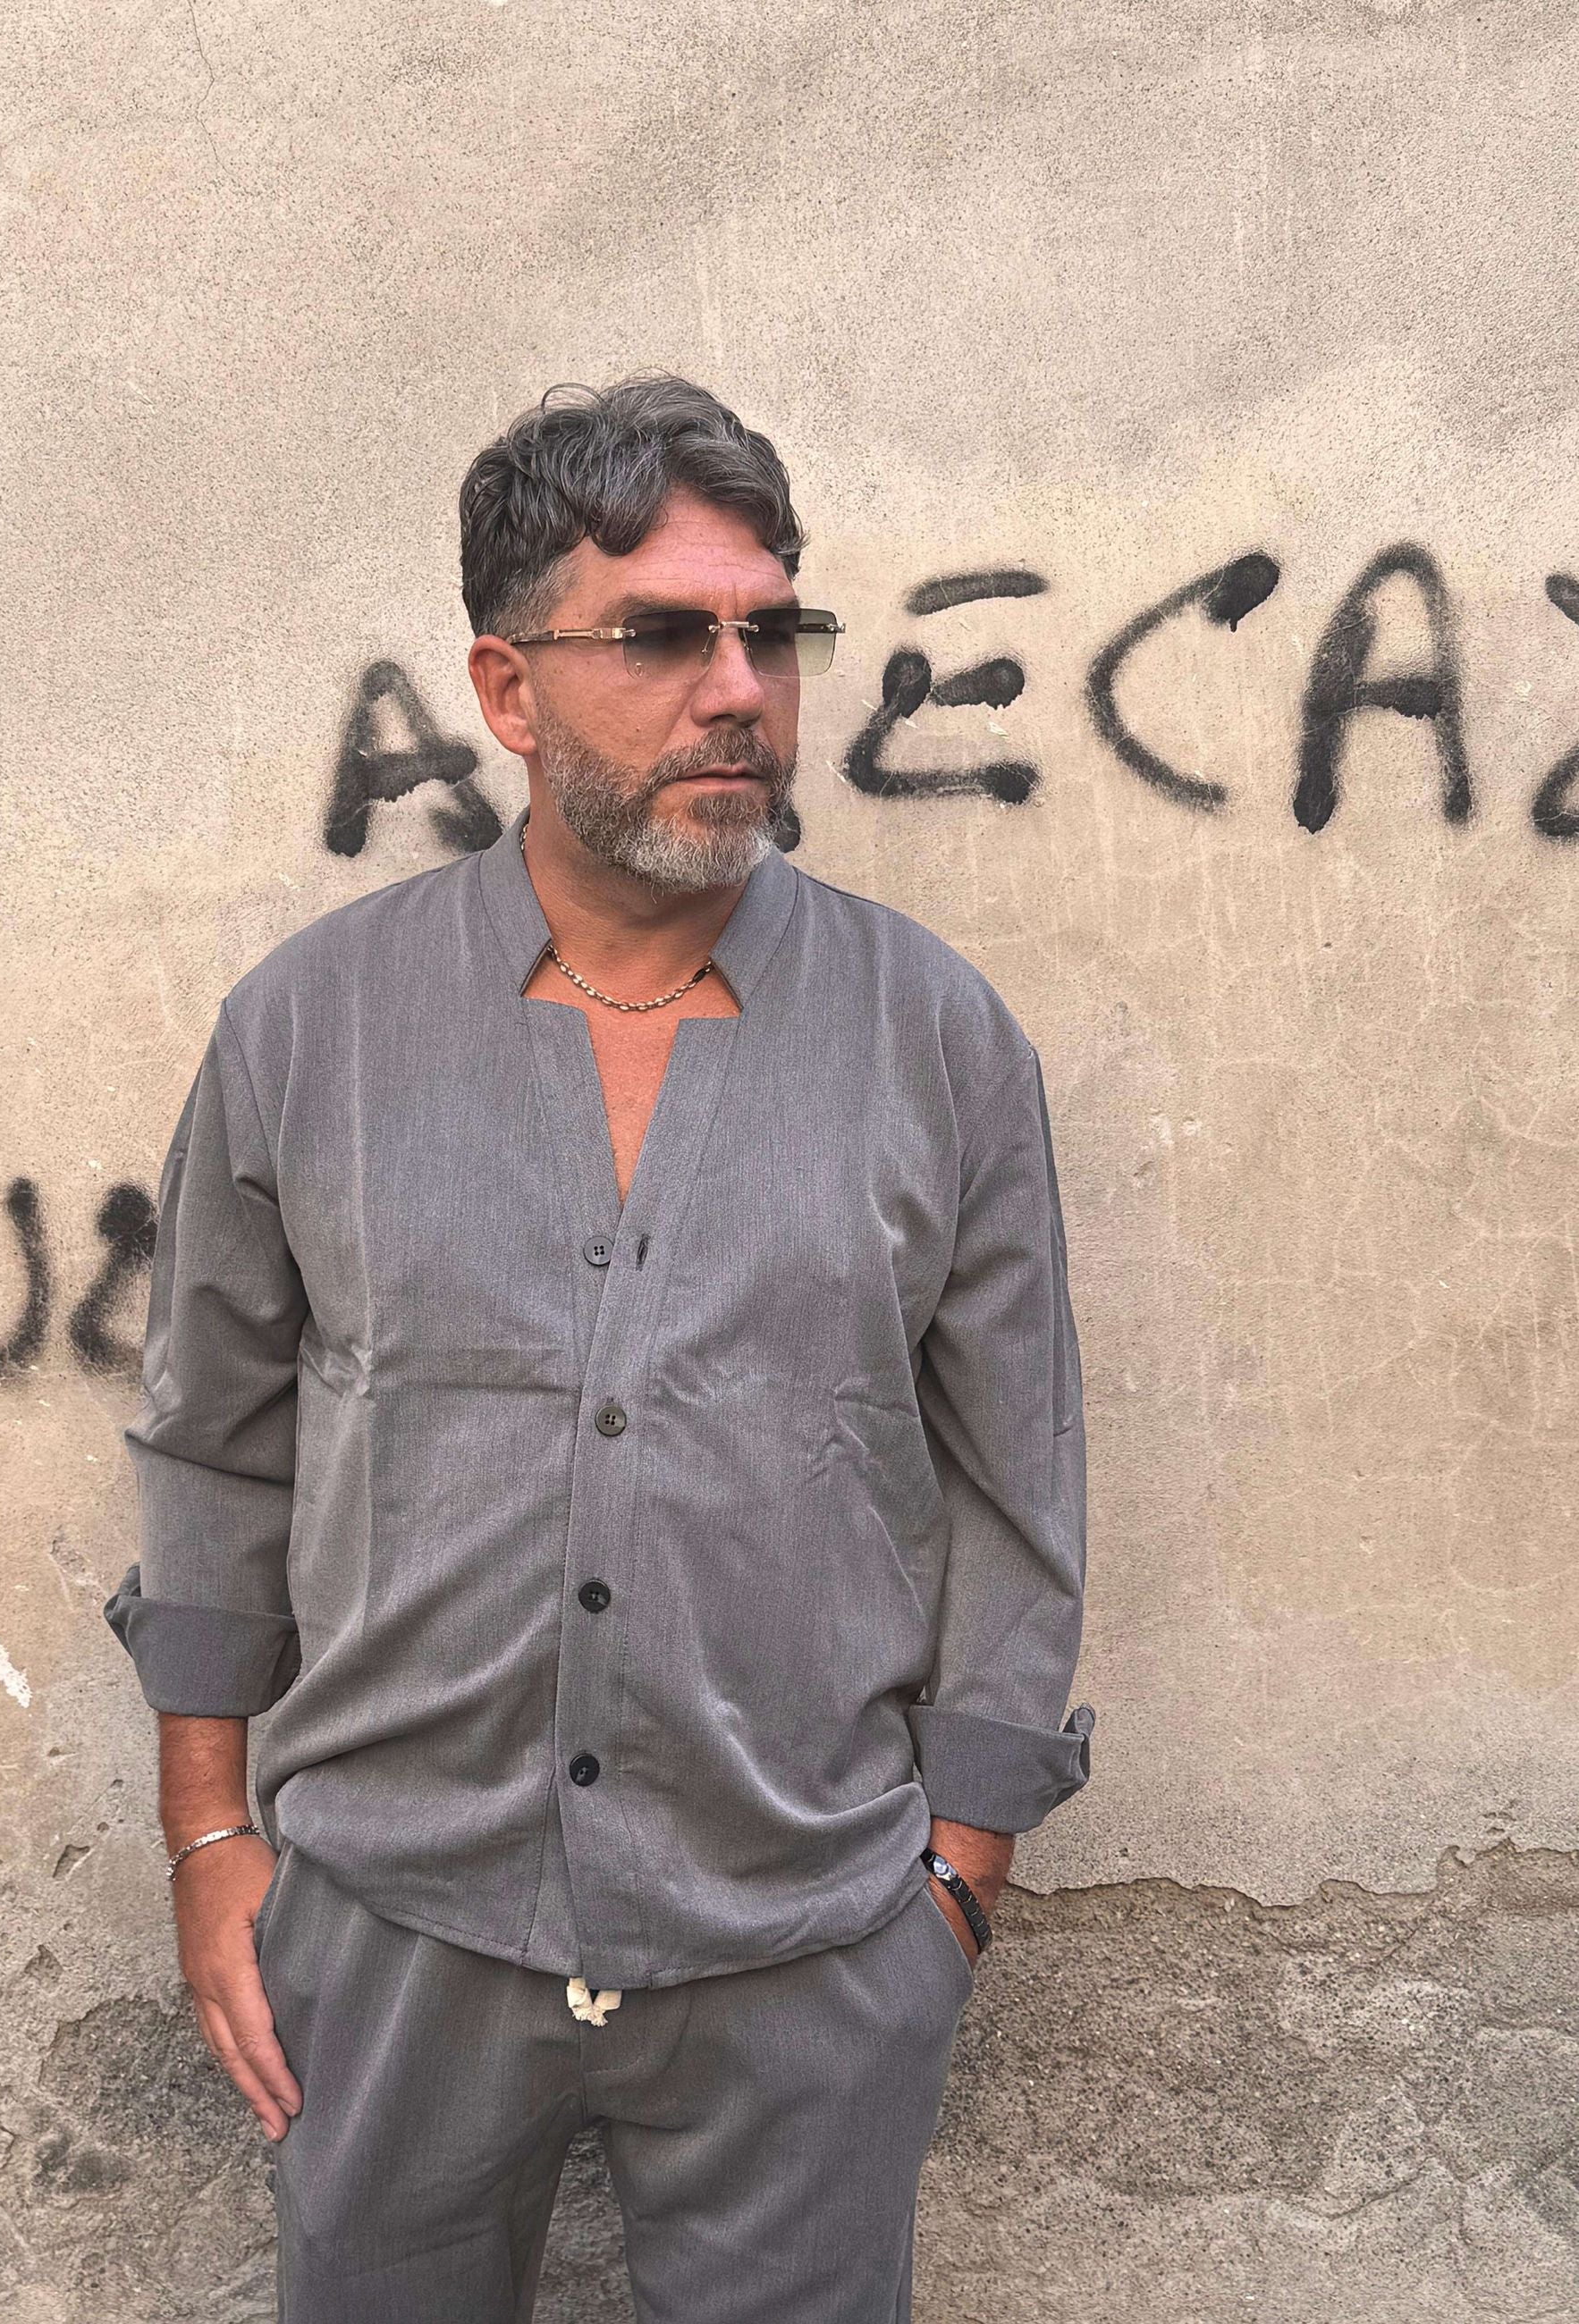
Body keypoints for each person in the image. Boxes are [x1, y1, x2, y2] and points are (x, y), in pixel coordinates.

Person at [103, 372, 1094, 2323]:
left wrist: (950, 1895)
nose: (739, 691)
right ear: (508, 686)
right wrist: (208, 1831)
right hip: (393, 1930)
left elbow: (1017, 1484)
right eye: (658, 637)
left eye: (770, 634)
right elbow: (214, 1441)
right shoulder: (314, 1031)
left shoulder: (935, 1039)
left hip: (802, 1946)